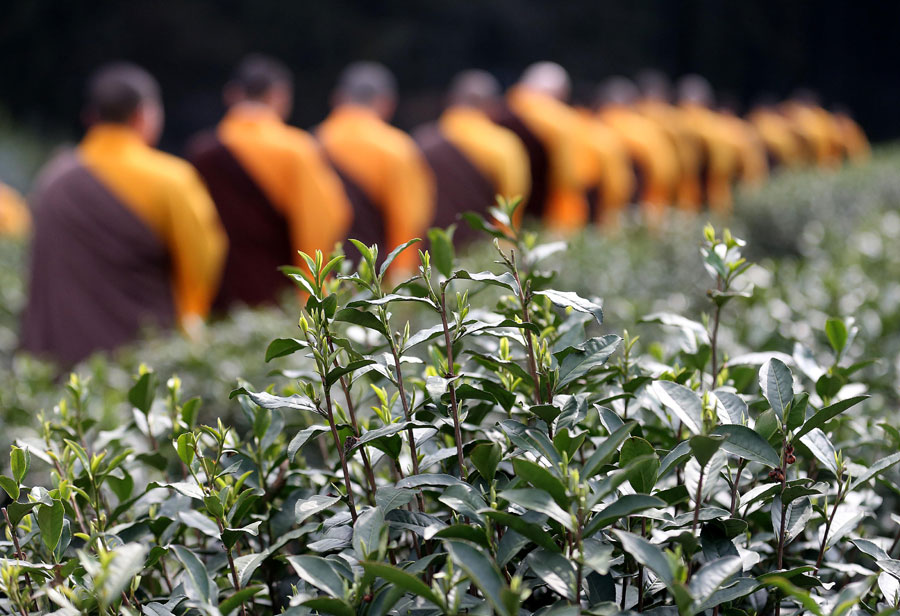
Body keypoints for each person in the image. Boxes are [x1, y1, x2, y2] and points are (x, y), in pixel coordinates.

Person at [20, 62, 226, 365]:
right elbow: (203, 262)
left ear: (92, 117)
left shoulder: (53, 181)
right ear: (143, 115)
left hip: (63, 359)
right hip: (143, 358)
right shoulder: (171, 179)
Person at [187, 54, 351, 310]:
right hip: (278, 291)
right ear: (279, 96)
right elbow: (325, 220)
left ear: (232, 95)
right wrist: (310, 290)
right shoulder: (295, 149)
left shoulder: (202, 151)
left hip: (217, 293)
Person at [317, 61, 434, 273]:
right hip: (374, 284)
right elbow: (408, 225)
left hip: (320, 280)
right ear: (387, 103)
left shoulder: (312, 144)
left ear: (337, 98)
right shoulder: (397, 148)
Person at [413, 70, 530, 242]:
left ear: (450, 101)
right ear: (493, 106)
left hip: (429, 251)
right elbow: (511, 207)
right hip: (482, 258)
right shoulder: (503, 145)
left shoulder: (422, 141)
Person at [490, 62, 588, 230]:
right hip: (544, 217)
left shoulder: (496, 116)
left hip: (496, 212)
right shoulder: (564, 124)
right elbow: (574, 179)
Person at [595, 76, 680, 221]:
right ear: (633, 103)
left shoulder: (590, 128)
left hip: (596, 214)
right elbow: (665, 175)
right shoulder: (648, 133)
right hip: (642, 213)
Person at [634, 69, 704, 210]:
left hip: (635, 192)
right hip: (673, 190)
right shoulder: (678, 121)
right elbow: (688, 163)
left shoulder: (629, 119)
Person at [676, 74, 741, 213]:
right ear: (708, 101)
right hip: (716, 199)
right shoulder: (720, 127)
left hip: (677, 202)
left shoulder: (669, 122)